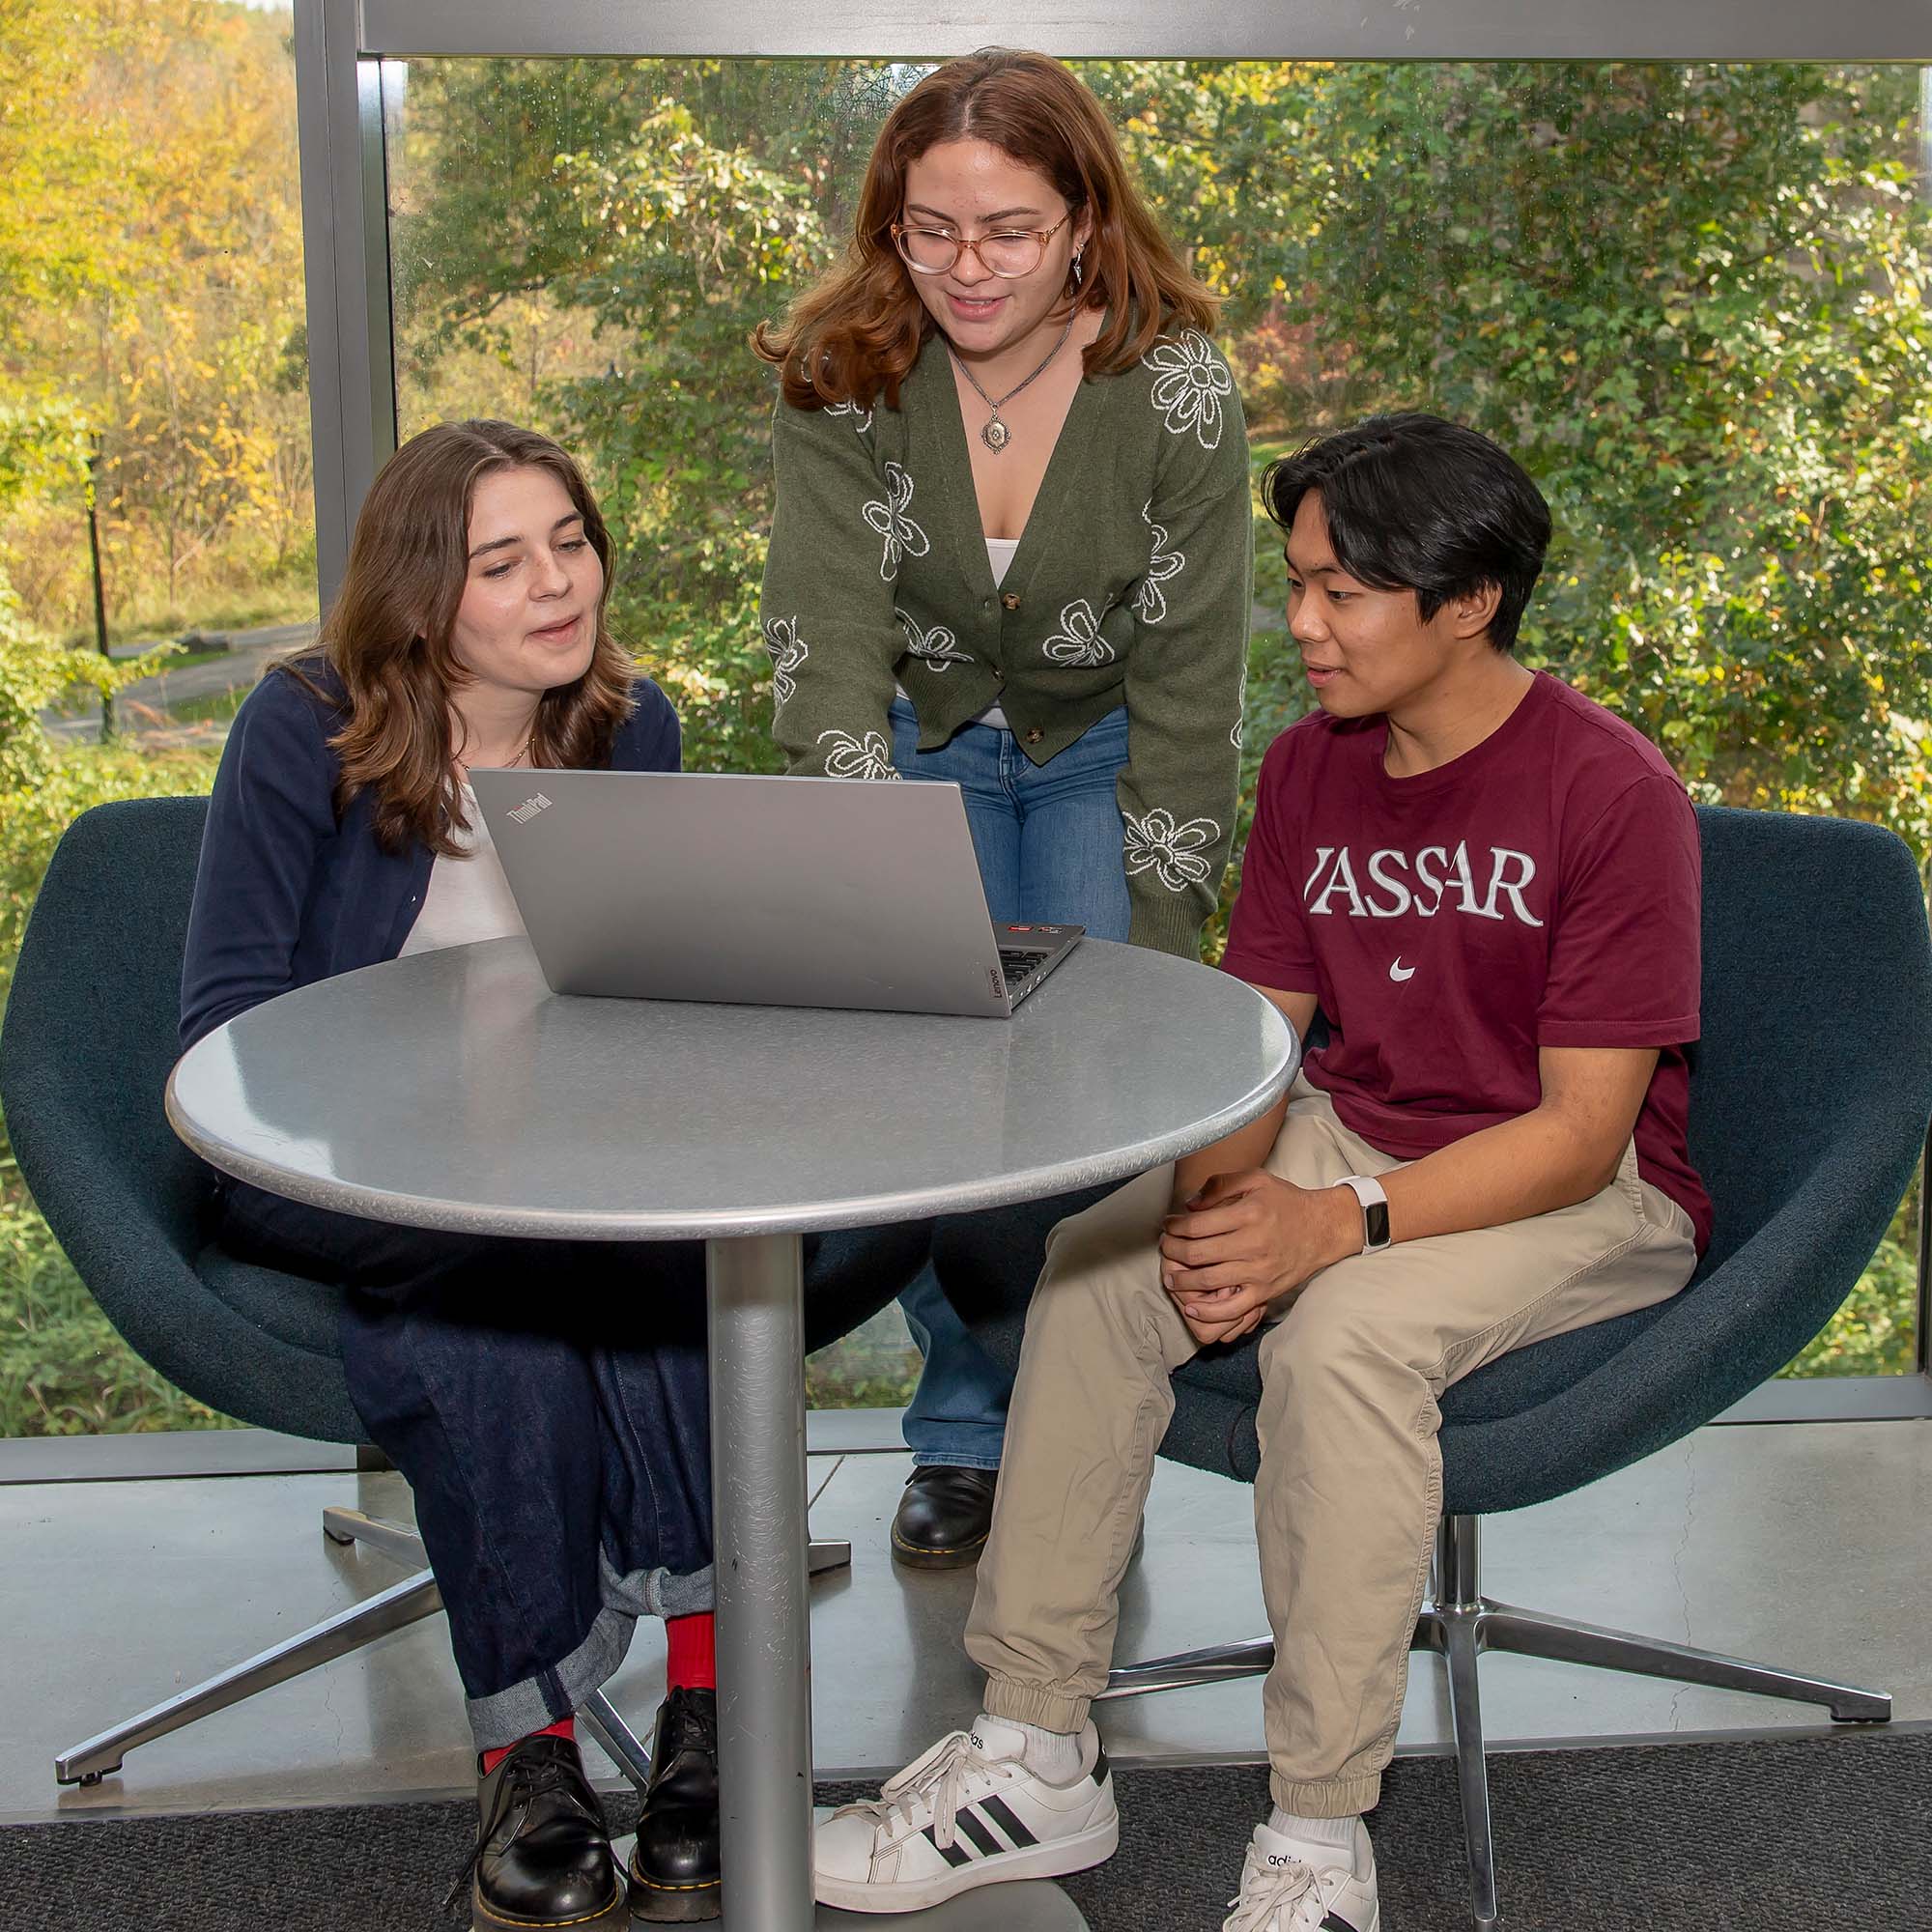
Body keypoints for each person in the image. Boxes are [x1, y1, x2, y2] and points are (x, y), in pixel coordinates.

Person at [810, 412, 1713, 1930]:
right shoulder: (1310, 771)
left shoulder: (1610, 791)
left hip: (1588, 1190)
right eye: (1295, 583)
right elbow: (1260, 1046)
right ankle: (1037, 1751)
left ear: (1469, 600)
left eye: (1341, 594)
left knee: (1349, 1341)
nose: (1300, 625)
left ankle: (1318, 1833)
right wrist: (1216, 1202)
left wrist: (1332, 1224)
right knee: (1105, 1261)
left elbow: (1576, 1134)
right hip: (1356, 1129)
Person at [181, 420, 921, 1929]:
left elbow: (644, 998)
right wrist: (440, 1143)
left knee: (671, 1276)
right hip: (357, 1173)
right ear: (422, 592)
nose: (553, 582)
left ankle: (709, 1717)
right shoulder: (302, 727)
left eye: (568, 541)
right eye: (500, 559)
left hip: (584, 1163)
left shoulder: (623, 726)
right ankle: (530, 1750)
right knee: (493, 1321)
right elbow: (224, 1029)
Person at [753, 47, 1253, 1568]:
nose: (969, 268)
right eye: (932, 229)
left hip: (1105, 751)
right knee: (941, 1094)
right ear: (890, 225)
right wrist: (862, 893)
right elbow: (823, 646)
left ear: (1086, 222)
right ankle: (969, 1434)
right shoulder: (845, 373)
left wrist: (1170, 944)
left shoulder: (1174, 390)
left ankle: (1090, 1425)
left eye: (1011, 231)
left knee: (1096, 1102)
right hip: (922, 742)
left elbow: (1193, 678)